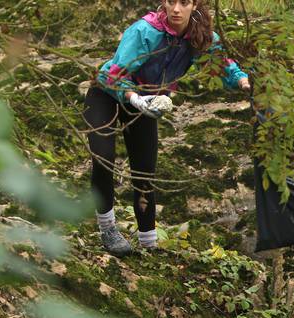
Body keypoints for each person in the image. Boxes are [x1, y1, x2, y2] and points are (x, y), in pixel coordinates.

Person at [84, 0, 250, 256]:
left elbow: (221, 63)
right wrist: (134, 98)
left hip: (146, 100)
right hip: (108, 93)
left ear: (194, 5)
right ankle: (108, 229)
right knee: (104, 158)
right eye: (171, 1)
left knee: (144, 170)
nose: (176, 9)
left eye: (184, 3)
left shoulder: (200, 35)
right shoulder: (144, 31)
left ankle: (149, 244)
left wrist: (242, 81)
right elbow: (112, 76)